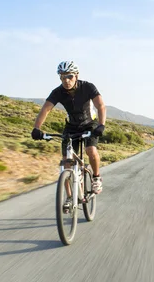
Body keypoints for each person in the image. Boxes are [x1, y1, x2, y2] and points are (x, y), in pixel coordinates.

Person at [31, 60, 106, 195]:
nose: (66, 80)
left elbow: (100, 106)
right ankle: (69, 199)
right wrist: (36, 128)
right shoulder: (58, 92)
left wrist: (101, 125)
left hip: (90, 124)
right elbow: (46, 110)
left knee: (90, 150)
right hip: (71, 127)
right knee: (66, 163)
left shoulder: (87, 87)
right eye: (62, 77)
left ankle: (96, 177)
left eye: (69, 76)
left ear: (76, 75)